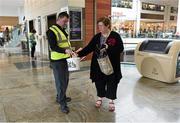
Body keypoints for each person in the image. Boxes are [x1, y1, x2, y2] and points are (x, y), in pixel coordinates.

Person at [76, 17, 124, 112]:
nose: (99, 27)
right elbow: (89, 48)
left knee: (112, 82)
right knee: (99, 81)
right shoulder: (97, 36)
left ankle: (111, 100)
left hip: (112, 65)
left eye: (101, 25)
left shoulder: (115, 36)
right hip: (98, 65)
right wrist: (78, 54)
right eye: (98, 25)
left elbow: (120, 49)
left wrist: (109, 48)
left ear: (107, 26)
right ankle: (100, 97)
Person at [46, 12, 74, 114]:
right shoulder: (51, 31)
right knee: (60, 82)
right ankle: (63, 104)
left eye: (66, 21)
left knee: (65, 80)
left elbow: (65, 43)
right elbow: (53, 47)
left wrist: (70, 52)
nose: (65, 23)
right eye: (64, 21)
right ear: (59, 19)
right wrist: (65, 51)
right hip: (57, 61)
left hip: (65, 59)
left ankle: (60, 97)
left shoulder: (62, 29)